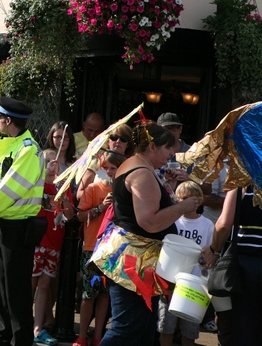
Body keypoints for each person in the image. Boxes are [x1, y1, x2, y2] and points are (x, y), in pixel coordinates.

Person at [95, 123, 200, 346]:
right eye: (167, 148)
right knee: (127, 328)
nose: (172, 153)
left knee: (142, 330)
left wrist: (168, 187)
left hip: (137, 261)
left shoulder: (136, 165)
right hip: (134, 263)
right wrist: (184, 206)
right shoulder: (142, 172)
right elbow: (149, 222)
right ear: (152, 146)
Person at [0, 97, 45, 346]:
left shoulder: (27, 149)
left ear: (8, 120)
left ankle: (20, 340)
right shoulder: (12, 144)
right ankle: (3, 335)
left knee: (16, 291)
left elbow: (9, 190)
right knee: (3, 288)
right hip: (4, 223)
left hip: (17, 226)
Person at [74, 151, 124, 346]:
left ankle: (98, 337)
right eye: (107, 168)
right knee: (88, 294)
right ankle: (82, 335)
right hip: (92, 248)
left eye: (114, 168)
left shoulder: (125, 191)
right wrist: (101, 208)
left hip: (113, 250)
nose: (110, 172)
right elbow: (79, 216)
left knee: (105, 295)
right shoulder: (93, 189)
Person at [203, 184, 262, 345]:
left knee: (245, 327)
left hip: (248, 266)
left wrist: (214, 249)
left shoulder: (241, 184)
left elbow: (224, 224)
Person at [156, 181, 212, 346]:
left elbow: (210, 253)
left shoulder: (208, 225)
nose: (190, 202)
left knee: (190, 327)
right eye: (185, 198)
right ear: (177, 200)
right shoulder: (173, 221)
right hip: (170, 281)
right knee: (166, 324)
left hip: (194, 282)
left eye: (194, 198)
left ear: (200, 200)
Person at [32, 149, 75, 346]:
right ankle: (25, 324)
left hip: (55, 244)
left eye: (55, 162)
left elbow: (71, 215)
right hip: (37, 241)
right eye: (48, 161)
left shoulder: (62, 185)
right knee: (30, 285)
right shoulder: (35, 182)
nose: (51, 164)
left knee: (45, 286)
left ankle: (38, 328)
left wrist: (64, 197)